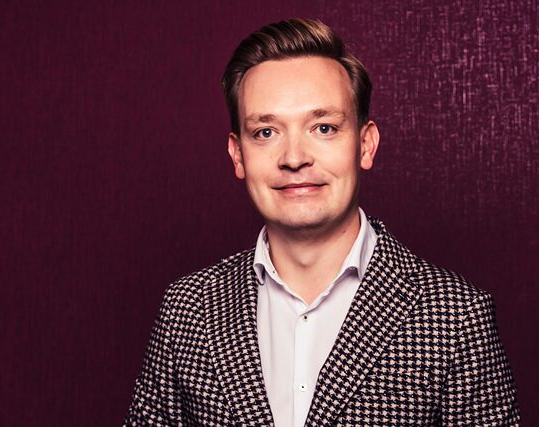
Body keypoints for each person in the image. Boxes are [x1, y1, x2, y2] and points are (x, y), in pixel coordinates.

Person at [123, 18, 519, 426]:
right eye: (266, 132)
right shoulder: (188, 310)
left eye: (324, 128)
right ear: (238, 155)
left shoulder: (456, 317)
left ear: (365, 145)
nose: (294, 158)